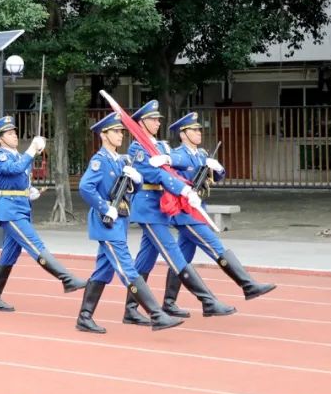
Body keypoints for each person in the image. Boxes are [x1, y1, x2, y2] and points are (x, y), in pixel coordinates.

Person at [122, 101, 235, 324]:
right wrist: (182, 188)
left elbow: (175, 166)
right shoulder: (137, 147)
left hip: (161, 207)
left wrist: (181, 174)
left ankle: (131, 309)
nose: (157, 122)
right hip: (147, 208)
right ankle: (208, 301)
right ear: (141, 123)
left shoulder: (162, 147)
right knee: (174, 253)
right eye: (153, 119)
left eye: (158, 119)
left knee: (144, 262)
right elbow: (157, 176)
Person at [75, 113, 182, 333]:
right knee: (127, 268)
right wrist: (106, 208)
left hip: (119, 222)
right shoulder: (100, 160)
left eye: (121, 131)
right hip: (107, 223)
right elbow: (85, 188)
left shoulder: (122, 160)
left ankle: (85, 317)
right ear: (104, 135)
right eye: (115, 131)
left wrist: (137, 179)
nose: (120, 135)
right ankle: (157, 314)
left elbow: (134, 189)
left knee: (102, 272)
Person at [162, 112, 276, 314]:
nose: (199, 133)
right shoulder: (179, 154)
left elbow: (217, 175)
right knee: (216, 247)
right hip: (185, 213)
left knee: (181, 258)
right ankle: (247, 285)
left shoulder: (201, 154)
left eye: (199, 129)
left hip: (198, 211)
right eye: (194, 130)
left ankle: (169, 303)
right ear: (183, 134)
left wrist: (218, 169)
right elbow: (167, 164)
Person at [0, 116, 85, 312]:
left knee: (8, 256)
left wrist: (29, 192)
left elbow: (19, 180)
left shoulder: (17, 155)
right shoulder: (1, 156)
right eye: (9, 133)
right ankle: (66, 279)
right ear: (0, 138)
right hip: (11, 211)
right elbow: (15, 170)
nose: (14, 136)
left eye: (14, 132)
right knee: (35, 245)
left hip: (21, 207)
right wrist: (32, 149)